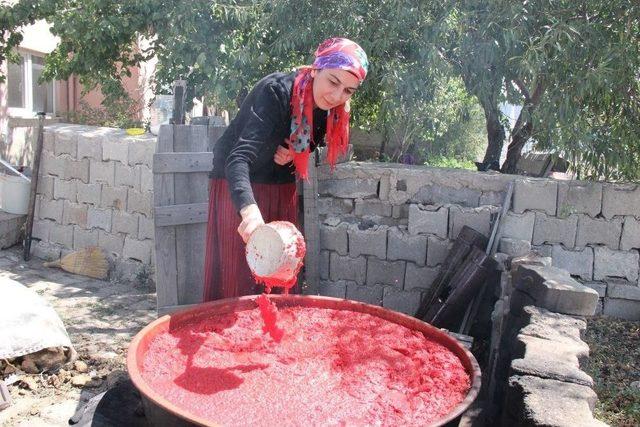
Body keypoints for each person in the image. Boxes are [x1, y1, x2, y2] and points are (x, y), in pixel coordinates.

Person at [203, 37, 369, 301]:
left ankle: (271, 337)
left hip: (280, 188)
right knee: (237, 282)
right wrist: (249, 214)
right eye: (333, 82)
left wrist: (297, 151)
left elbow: (313, 141)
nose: (337, 96)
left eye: (348, 91)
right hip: (237, 187)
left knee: (279, 269)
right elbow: (237, 159)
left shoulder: (332, 110)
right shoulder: (275, 92)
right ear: (316, 70)